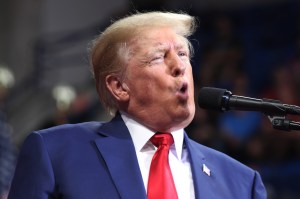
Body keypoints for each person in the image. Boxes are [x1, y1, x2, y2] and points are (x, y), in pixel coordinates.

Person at [8, 11, 266, 199]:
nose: (179, 66)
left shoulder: (242, 182)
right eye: (158, 57)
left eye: (183, 54)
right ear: (119, 87)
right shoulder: (55, 153)